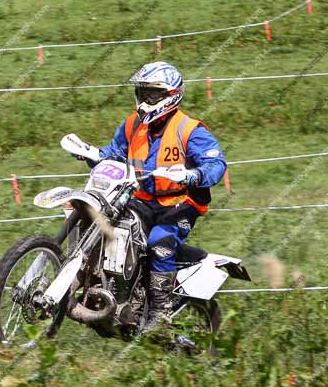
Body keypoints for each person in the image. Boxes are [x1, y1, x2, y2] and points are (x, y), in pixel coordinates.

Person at [81, 61, 227, 329]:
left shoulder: (189, 130)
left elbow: (216, 164)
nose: (145, 99)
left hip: (181, 203)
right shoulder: (131, 126)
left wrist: (193, 175)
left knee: (159, 243)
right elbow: (112, 154)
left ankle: (160, 314)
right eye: (143, 93)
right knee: (110, 226)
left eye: (152, 93)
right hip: (143, 199)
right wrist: (90, 154)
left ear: (171, 95)